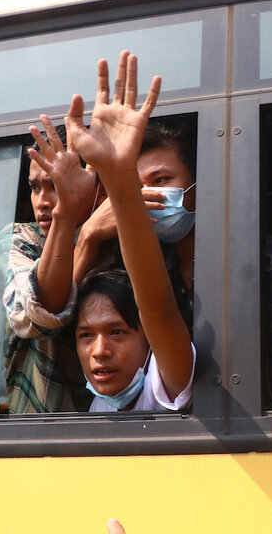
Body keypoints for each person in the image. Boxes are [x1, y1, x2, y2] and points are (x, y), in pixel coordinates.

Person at [68, 50, 195, 412]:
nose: (100, 352)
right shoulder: (98, 406)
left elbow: (157, 306)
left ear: (150, 340)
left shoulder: (165, 383)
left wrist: (122, 181)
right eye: (85, 336)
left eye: (118, 332)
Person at [2, 118, 101, 413]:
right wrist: (83, 233)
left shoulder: (122, 238)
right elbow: (41, 313)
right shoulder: (21, 239)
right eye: (35, 188)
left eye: (54, 185)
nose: (42, 202)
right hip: (42, 436)